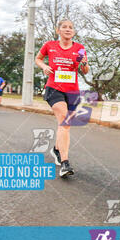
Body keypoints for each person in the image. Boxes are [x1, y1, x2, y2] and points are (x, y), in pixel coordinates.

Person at [35, 19, 89, 178]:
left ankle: (57, 150)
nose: (68, 29)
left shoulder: (80, 49)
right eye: (64, 27)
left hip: (72, 91)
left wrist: (84, 63)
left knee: (65, 125)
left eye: (71, 27)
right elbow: (38, 58)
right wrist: (44, 66)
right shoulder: (49, 46)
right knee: (64, 121)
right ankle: (65, 163)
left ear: (74, 31)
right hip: (54, 89)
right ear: (58, 31)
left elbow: (85, 71)